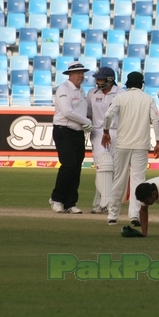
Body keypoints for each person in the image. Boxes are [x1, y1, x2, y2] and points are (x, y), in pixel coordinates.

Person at [102, 71, 159, 226]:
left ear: (128, 83)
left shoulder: (120, 97)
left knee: (119, 179)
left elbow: (108, 115)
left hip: (123, 144)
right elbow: (155, 120)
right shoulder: (148, 99)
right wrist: (158, 141)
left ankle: (112, 215)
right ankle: (134, 215)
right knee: (138, 180)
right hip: (141, 146)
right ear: (141, 84)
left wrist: (106, 131)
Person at [49, 62, 94, 215]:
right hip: (63, 131)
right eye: (78, 73)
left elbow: (85, 112)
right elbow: (67, 112)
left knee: (76, 168)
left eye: (82, 73)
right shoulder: (64, 89)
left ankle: (70, 203)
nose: (81, 76)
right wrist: (86, 122)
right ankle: (56, 199)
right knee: (68, 165)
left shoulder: (81, 91)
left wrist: (88, 121)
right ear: (70, 74)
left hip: (77, 133)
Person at [86, 67, 119, 215]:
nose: (98, 81)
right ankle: (104, 203)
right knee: (103, 164)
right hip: (98, 131)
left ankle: (104, 202)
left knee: (112, 169)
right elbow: (88, 114)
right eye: (97, 79)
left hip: (117, 131)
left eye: (101, 79)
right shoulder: (92, 93)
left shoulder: (121, 93)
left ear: (110, 80)